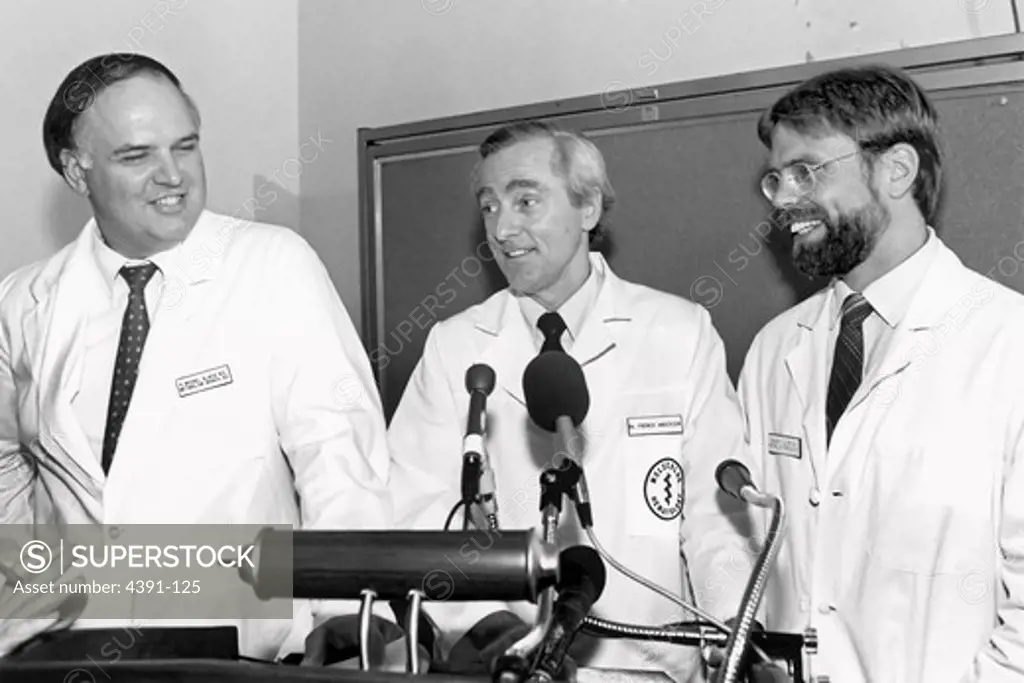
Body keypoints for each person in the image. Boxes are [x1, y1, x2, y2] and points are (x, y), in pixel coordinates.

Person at [0, 53, 398, 664]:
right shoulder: (23, 301)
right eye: (137, 156)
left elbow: (338, 449)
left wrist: (346, 609)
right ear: (77, 173)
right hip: (76, 645)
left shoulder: (271, 264)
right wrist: (24, 578)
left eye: (184, 147)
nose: (172, 176)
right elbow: (7, 458)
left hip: (243, 643)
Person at [387, 120, 761, 681]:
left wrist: (728, 625)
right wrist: (487, 625)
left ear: (588, 208)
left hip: (650, 666)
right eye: (489, 208)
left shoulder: (678, 332)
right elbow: (416, 511)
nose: (502, 228)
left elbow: (716, 515)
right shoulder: (455, 346)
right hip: (506, 663)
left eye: (526, 201)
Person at [737, 64, 1024, 681]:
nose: (786, 200)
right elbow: (749, 545)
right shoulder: (774, 349)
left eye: (807, 171)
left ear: (896, 170)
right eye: (777, 179)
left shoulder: (1010, 344)